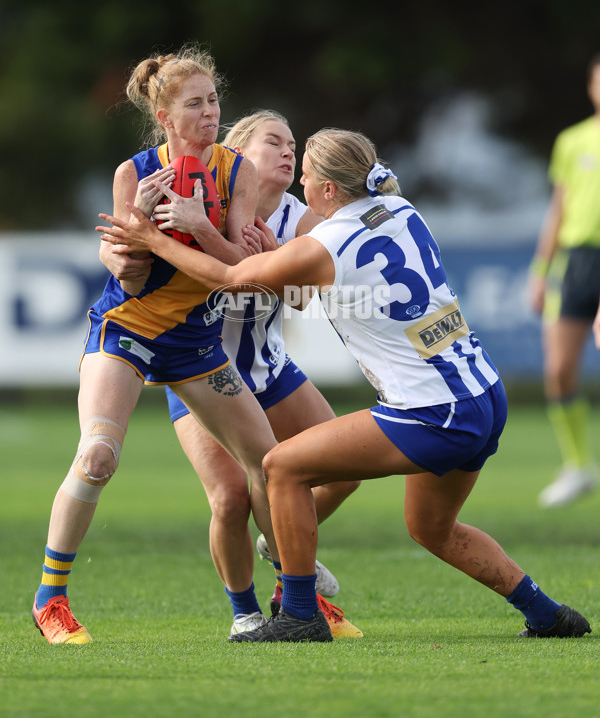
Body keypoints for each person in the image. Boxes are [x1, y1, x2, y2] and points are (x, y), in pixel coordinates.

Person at [98, 127, 592, 644]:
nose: (301, 179)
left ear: (330, 190)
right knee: (431, 527)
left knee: (280, 467)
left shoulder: (327, 242)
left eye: (308, 173)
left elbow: (231, 280)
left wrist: (154, 239)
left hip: (434, 410)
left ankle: (300, 615)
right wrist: (267, 256)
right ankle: (547, 614)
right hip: (484, 394)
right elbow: (288, 284)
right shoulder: (401, 210)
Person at [32, 46, 285, 645]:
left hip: (196, 339)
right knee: (98, 456)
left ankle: (290, 600)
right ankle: (51, 600)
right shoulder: (135, 173)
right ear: (165, 119)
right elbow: (132, 280)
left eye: (214, 100)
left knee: (271, 467)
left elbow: (243, 269)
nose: (209, 113)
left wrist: (196, 223)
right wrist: (135, 236)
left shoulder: (235, 171)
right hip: (127, 329)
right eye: (194, 104)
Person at [100, 109, 361, 638]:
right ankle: (246, 612)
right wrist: (115, 252)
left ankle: (284, 561)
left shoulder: (301, 220)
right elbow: (132, 249)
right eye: (275, 142)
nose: (290, 152)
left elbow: (305, 298)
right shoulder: (203, 201)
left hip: (268, 368)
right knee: (230, 496)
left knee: (345, 470)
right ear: (239, 151)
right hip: (198, 370)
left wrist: (280, 261)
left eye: (294, 144)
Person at [528, 55, 600, 508]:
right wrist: (540, 271)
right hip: (575, 261)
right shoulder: (572, 140)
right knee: (558, 371)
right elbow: (558, 208)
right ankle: (577, 466)